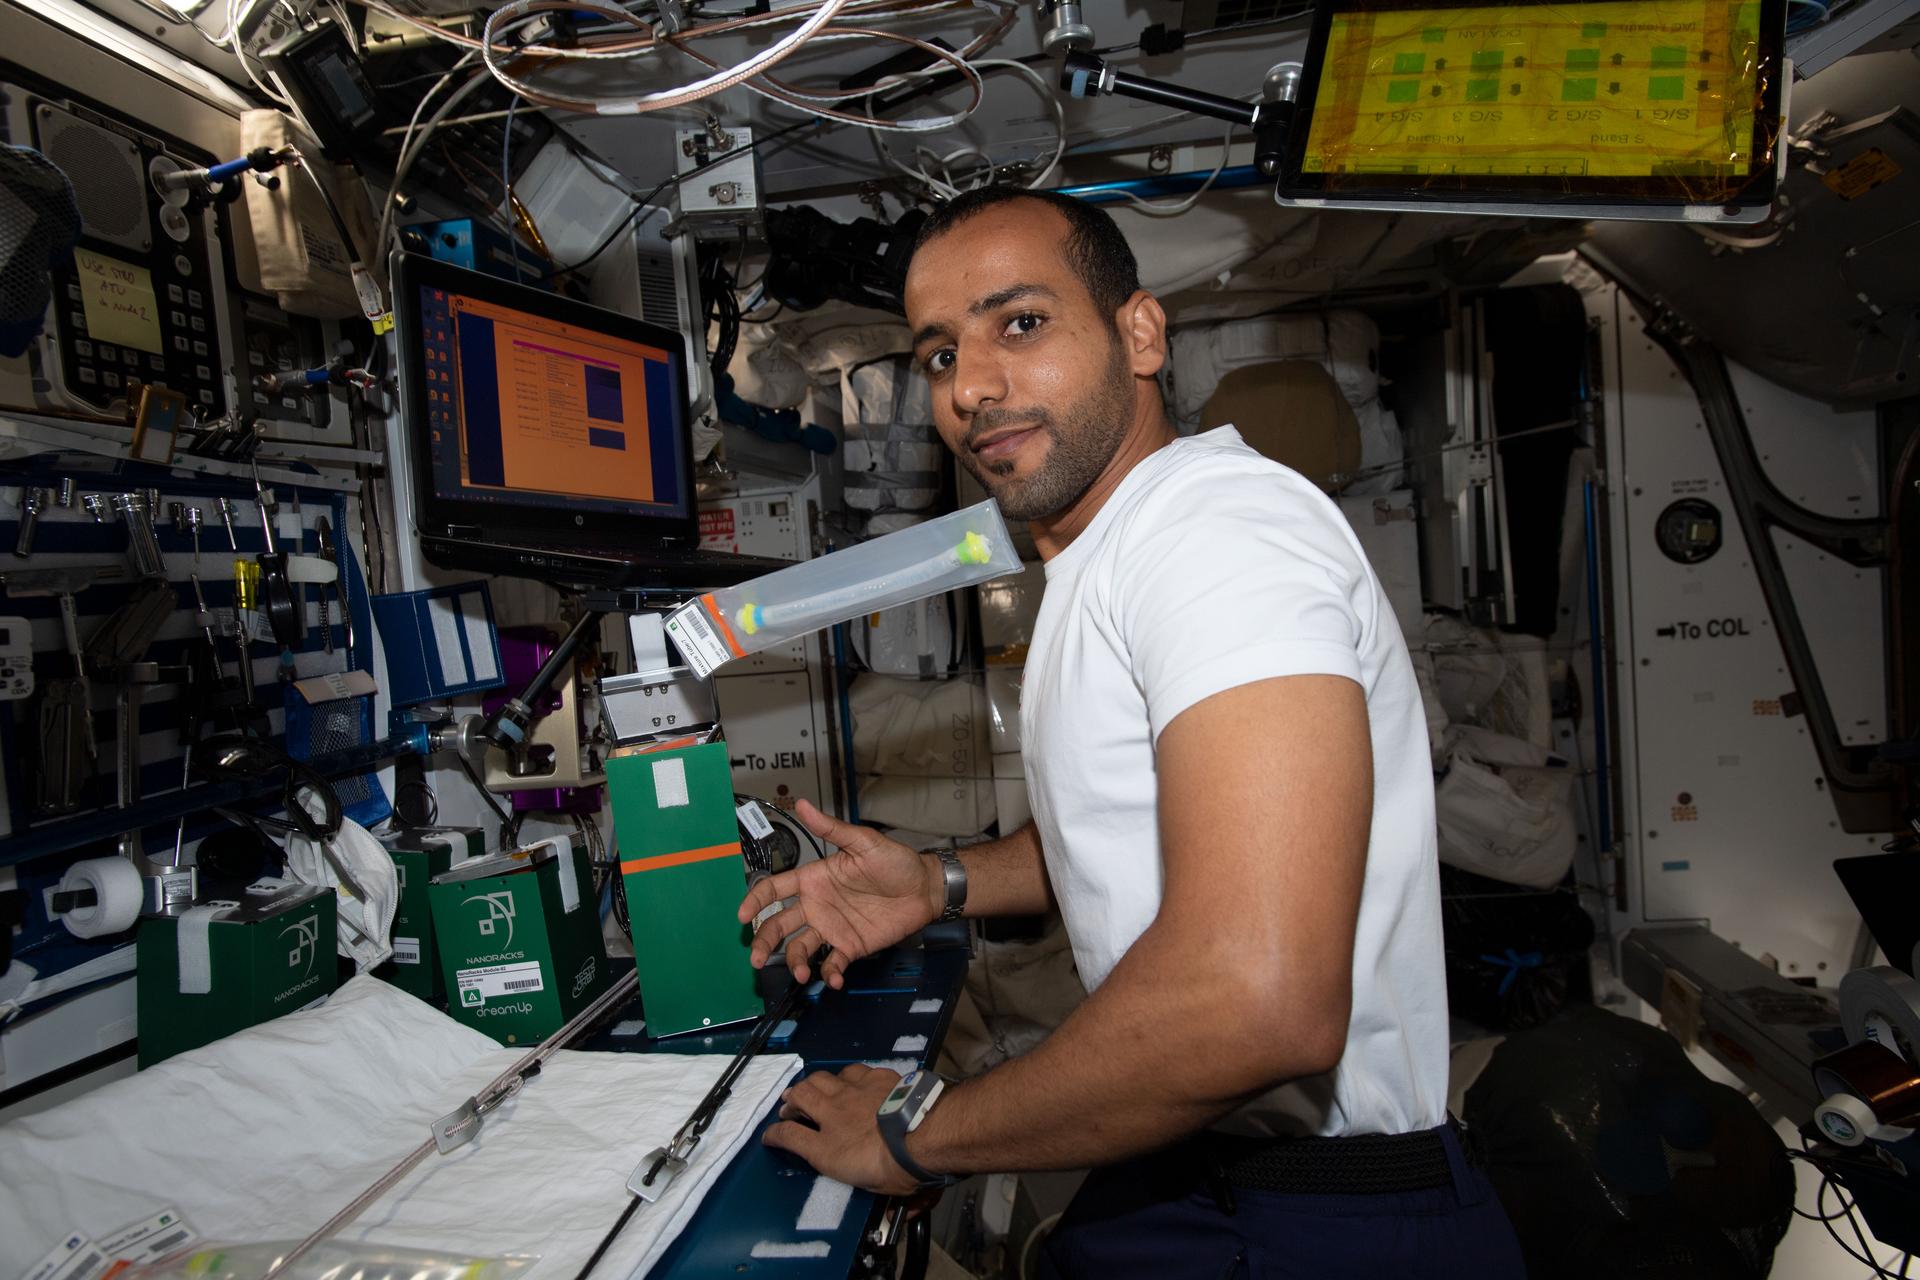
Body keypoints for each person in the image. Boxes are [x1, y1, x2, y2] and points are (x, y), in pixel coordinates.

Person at [737, 187, 1526, 1278]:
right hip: (1198, 1170)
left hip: (1325, 1217)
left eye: (1020, 323)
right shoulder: (1109, 559)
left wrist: (918, 1130)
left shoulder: (1212, 533)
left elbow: (1257, 997)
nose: (972, 386)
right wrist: (938, 882)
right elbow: (1145, 835)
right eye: (937, 354)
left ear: (1140, 332)